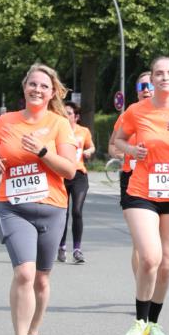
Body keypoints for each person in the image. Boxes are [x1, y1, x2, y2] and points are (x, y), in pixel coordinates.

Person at [0, 64, 77, 335]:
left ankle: (35, 334)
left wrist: (42, 152)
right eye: (33, 84)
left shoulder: (60, 124)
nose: (37, 90)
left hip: (52, 207)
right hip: (13, 207)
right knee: (24, 273)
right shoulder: (5, 121)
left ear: (52, 93)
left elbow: (69, 170)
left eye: (44, 86)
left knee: (41, 278)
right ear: (24, 87)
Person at [113, 56, 169, 335]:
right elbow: (117, 142)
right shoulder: (136, 111)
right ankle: (138, 322)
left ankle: (153, 323)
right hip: (142, 192)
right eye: (159, 73)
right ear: (151, 79)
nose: (164, 78)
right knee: (150, 257)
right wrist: (130, 149)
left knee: (166, 265)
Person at [108, 71, 154, 274]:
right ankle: (142, 289)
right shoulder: (129, 115)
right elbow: (113, 146)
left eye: (150, 85)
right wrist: (126, 152)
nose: (146, 90)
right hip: (132, 178)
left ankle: (153, 282)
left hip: (161, 179)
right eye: (141, 86)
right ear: (136, 91)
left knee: (159, 243)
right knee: (140, 240)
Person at [57, 103, 95, 264]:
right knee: (63, 213)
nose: (66, 116)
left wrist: (88, 151)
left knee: (77, 211)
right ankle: (61, 246)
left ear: (76, 117)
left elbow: (91, 146)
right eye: (63, 113)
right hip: (62, 175)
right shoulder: (58, 130)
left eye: (69, 113)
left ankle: (77, 250)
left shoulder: (83, 131)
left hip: (79, 175)